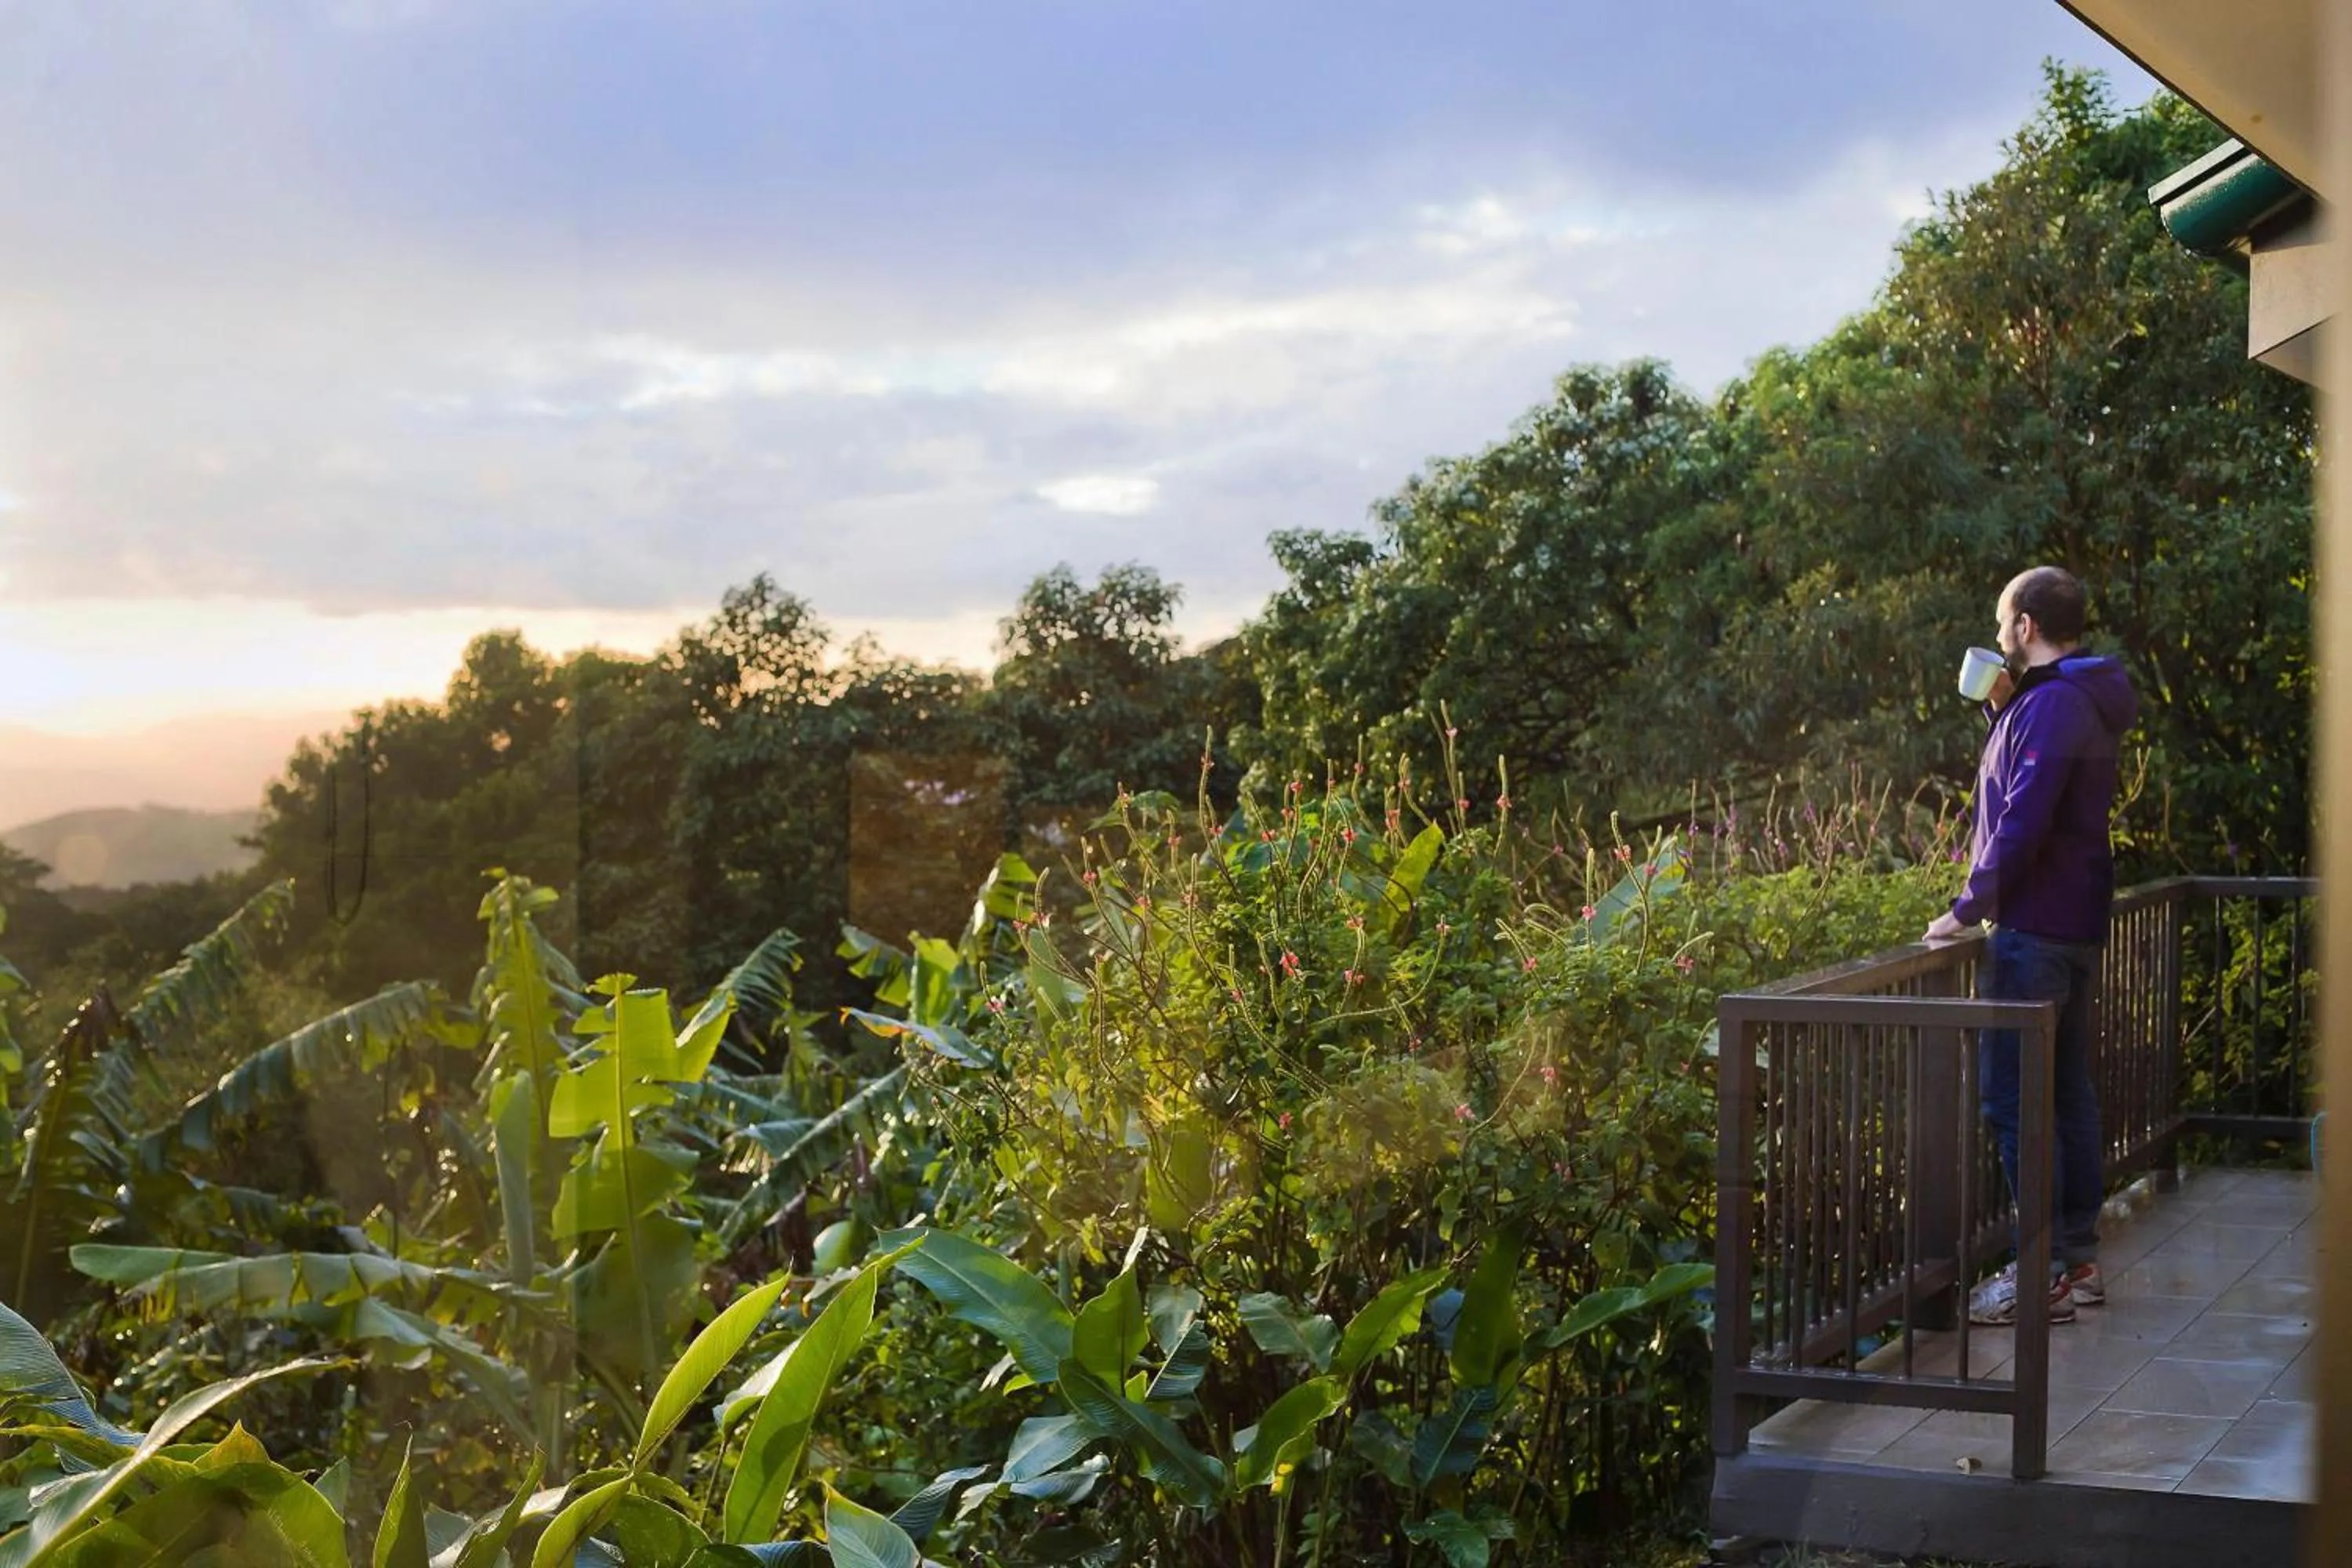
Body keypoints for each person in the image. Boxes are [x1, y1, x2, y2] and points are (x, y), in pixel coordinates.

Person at [1924, 566, 2138, 1326]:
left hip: (2034, 929)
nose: (1999, 632)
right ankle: (2076, 1260)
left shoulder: (2054, 707)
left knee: (2015, 1101)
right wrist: (2003, 714)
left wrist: (1966, 907)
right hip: (2073, 922)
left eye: (2002, 619)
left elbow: (2025, 815)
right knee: (2068, 1093)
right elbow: (2034, 784)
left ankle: (2042, 1273)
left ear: (2024, 627)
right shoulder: (2063, 700)